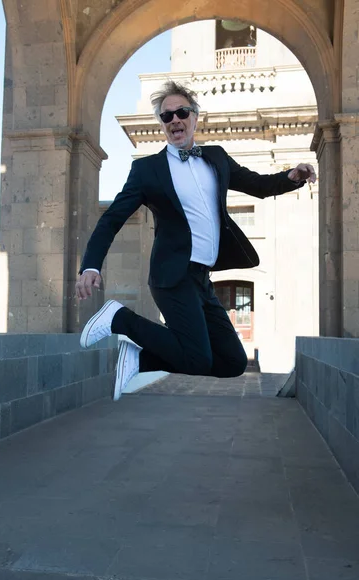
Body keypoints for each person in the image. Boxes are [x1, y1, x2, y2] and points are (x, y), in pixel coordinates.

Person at [75, 80, 316, 401]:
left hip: (203, 278)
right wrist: (91, 265)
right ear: (162, 124)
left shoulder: (215, 158)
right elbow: (112, 218)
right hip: (171, 274)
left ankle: (139, 359)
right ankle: (119, 317)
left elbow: (256, 184)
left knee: (232, 362)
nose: (174, 119)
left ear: (194, 117)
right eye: (166, 116)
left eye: (181, 112)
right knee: (198, 357)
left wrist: (292, 177)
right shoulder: (147, 170)